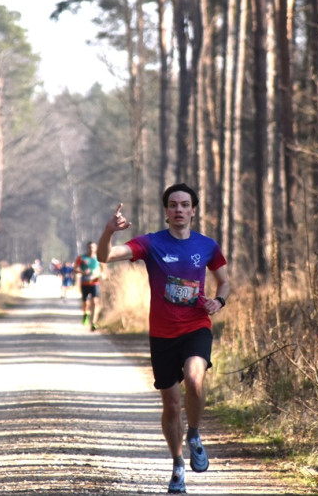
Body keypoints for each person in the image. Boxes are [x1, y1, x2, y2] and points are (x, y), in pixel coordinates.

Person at [97, 183, 230, 494]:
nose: (179, 210)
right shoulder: (151, 243)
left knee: (195, 379)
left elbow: (224, 282)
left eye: (185, 205)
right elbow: (105, 256)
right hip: (162, 334)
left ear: (193, 211)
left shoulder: (208, 245)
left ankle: (194, 434)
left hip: (197, 325)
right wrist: (108, 231)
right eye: (173, 205)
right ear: (167, 211)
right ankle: (177, 464)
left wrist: (218, 302)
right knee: (171, 405)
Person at [74, 242, 103, 330]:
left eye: (93, 247)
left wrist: (100, 274)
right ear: (87, 248)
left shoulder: (100, 258)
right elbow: (75, 269)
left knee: (95, 302)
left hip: (95, 283)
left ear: (96, 248)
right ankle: (86, 314)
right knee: (86, 303)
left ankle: (94, 323)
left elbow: (104, 271)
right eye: (89, 247)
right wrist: (82, 272)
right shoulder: (82, 258)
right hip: (84, 283)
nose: (91, 249)